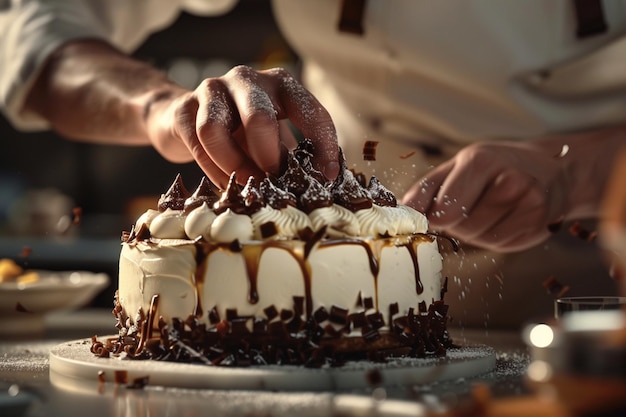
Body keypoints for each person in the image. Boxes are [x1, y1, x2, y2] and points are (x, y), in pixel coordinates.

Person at [1, 0, 622, 326]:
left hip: (595, 280)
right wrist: (162, 109)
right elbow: (44, 26)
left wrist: (582, 172)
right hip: (327, 256)